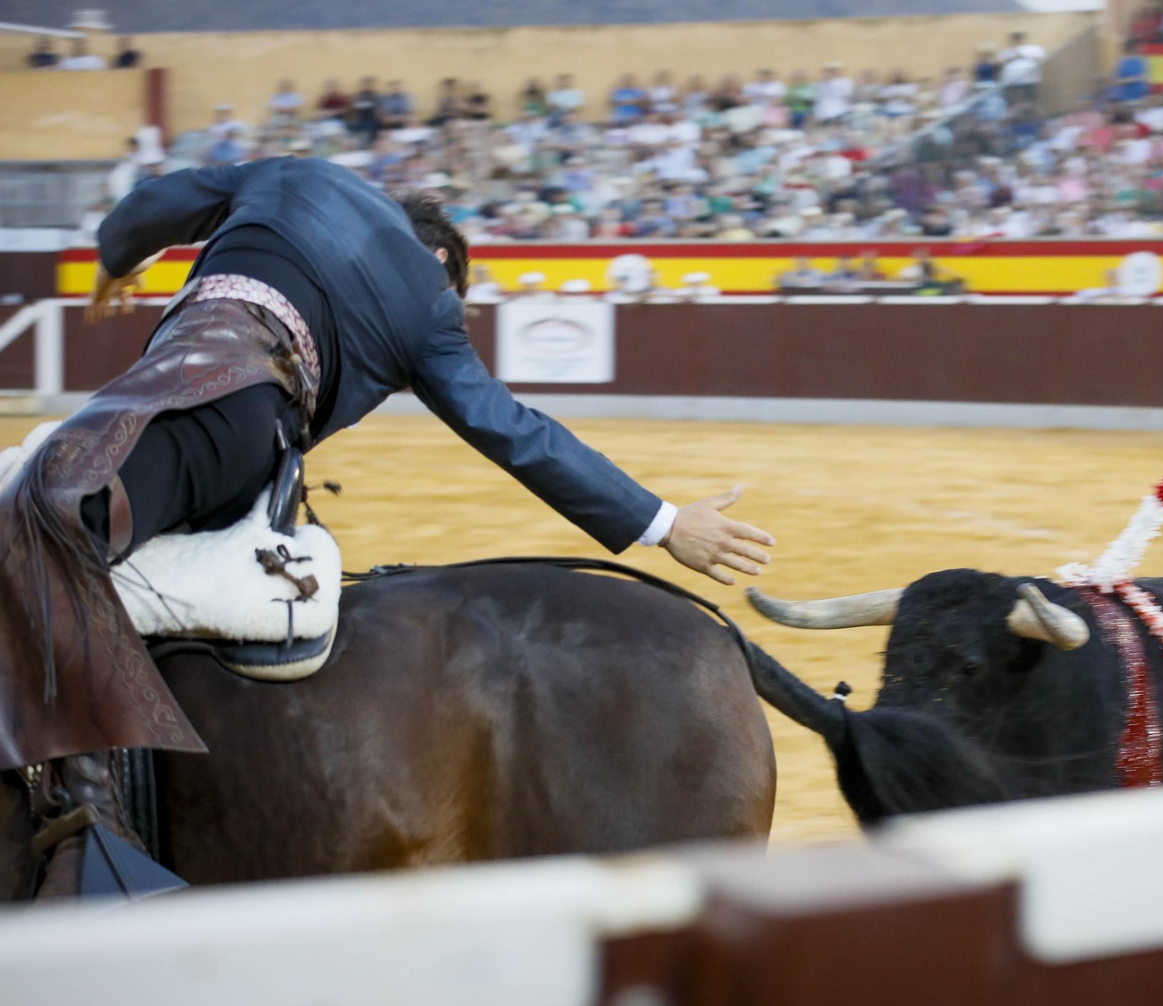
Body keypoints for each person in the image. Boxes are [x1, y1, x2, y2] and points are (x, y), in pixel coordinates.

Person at [1, 158, 776, 898]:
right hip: (237, 431)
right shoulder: (427, 300)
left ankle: (92, 825)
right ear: (440, 255)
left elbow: (158, 202)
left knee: (41, 522)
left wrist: (114, 258)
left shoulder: (297, 175)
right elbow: (518, 433)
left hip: (182, 400)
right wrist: (663, 523)